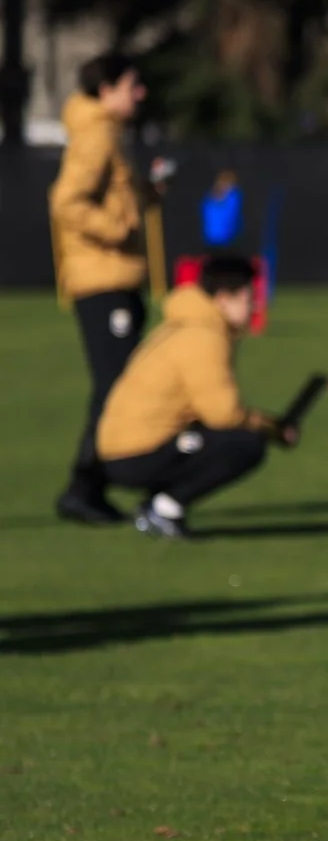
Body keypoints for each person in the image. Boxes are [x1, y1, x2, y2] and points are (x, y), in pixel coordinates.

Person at [96, 255, 296, 540]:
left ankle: (160, 503)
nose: (255, 306)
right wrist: (272, 427)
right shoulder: (204, 336)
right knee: (246, 443)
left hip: (124, 449)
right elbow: (224, 415)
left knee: (227, 437)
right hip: (134, 454)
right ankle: (163, 509)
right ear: (223, 299)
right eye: (249, 297)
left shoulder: (184, 324)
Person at [48, 53, 154, 525]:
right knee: (116, 389)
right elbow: (66, 201)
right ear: (106, 89)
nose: (140, 93)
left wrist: (146, 194)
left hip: (114, 278)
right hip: (102, 281)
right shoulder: (96, 134)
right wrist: (116, 228)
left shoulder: (108, 132)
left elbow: (113, 197)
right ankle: (85, 487)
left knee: (119, 386)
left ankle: (89, 486)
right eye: (132, 85)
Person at [201, 170, 244, 249]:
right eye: (223, 182)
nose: (224, 185)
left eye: (228, 183)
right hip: (210, 242)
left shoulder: (234, 198)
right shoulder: (209, 199)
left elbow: (233, 219)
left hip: (229, 243)